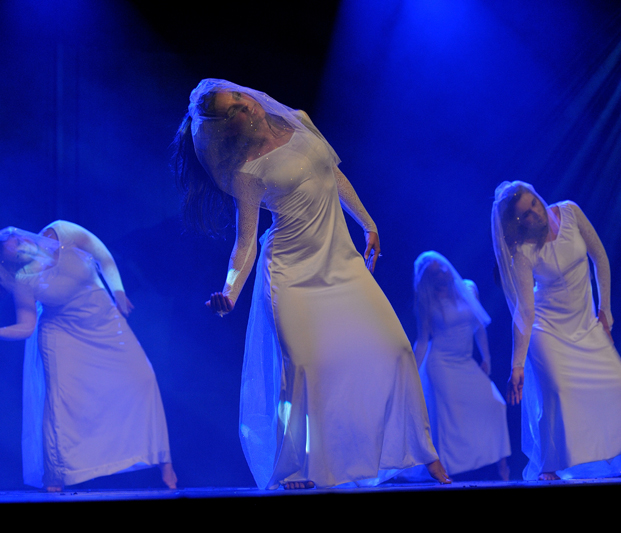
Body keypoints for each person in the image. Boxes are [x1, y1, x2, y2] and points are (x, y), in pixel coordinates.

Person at [172, 79, 449, 489]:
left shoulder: (299, 121)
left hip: (340, 261)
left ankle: (423, 451)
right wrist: (230, 292)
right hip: (290, 273)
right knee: (302, 367)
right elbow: (245, 244)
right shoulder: (247, 171)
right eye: (233, 111)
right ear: (228, 127)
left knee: (396, 349)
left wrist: (367, 223)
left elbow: (332, 173)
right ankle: (296, 466)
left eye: (240, 98)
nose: (245, 107)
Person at [0, 221, 176, 491]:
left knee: (143, 378)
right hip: (61, 333)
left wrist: (118, 291)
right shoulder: (25, 280)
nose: (24, 247)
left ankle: (163, 460)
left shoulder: (62, 231)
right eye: (17, 252)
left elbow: (102, 254)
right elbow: (27, 326)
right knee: (61, 401)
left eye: (20, 241)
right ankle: (55, 475)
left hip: (104, 319)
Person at [491, 181, 621, 480]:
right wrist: (517, 364)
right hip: (547, 328)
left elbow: (599, 257)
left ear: (538, 196)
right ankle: (549, 466)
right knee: (558, 391)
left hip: (586, 324)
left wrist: (605, 311)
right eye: (526, 214)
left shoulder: (570, 212)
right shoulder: (523, 251)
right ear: (519, 221)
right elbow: (525, 312)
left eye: (534, 204)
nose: (535, 213)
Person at [413, 252, 511, 480]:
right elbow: (423, 340)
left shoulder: (469, 288)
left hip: (465, 361)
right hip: (441, 363)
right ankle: (447, 473)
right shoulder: (427, 302)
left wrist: (486, 358)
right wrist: (412, 372)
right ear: (428, 279)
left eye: (442, 268)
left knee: (495, 404)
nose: (442, 274)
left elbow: (479, 327)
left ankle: (503, 467)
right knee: (450, 416)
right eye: (435, 273)